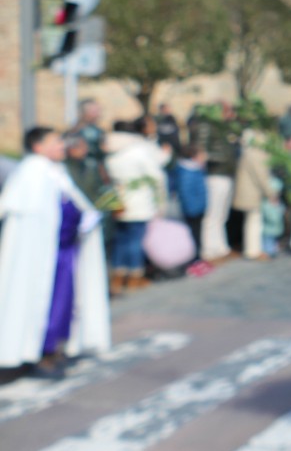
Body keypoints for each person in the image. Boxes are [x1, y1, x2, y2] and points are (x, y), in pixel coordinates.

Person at [0, 128, 109, 373]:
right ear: (38, 146)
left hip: (64, 252)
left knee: (62, 303)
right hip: (44, 256)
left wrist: (88, 218)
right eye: (56, 141)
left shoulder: (58, 171)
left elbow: (79, 201)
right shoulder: (32, 173)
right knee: (41, 301)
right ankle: (39, 351)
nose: (63, 145)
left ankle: (54, 348)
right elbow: (35, 221)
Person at [106, 119, 169, 293]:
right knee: (135, 239)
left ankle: (118, 275)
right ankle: (134, 275)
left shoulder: (108, 150)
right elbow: (156, 177)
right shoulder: (138, 150)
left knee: (121, 239)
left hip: (116, 199)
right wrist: (160, 201)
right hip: (139, 199)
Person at [191, 101, 239, 262]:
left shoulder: (224, 128)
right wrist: (221, 158)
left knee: (221, 215)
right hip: (215, 174)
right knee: (212, 215)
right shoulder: (206, 126)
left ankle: (220, 247)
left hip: (226, 174)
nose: (231, 114)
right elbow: (201, 153)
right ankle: (208, 250)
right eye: (227, 110)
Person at [232, 127, 273, 261]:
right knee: (254, 221)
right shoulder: (256, 154)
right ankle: (253, 250)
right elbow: (261, 176)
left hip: (248, 192)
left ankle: (252, 249)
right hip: (251, 193)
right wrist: (270, 192)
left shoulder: (248, 152)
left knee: (251, 220)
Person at [170, 145, 209, 273]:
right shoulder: (187, 171)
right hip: (192, 210)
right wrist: (193, 209)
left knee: (197, 235)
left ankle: (198, 259)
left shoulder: (195, 169)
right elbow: (186, 193)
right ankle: (194, 261)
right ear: (194, 156)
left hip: (198, 208)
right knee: (193, 236)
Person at [262, 176, 285, 258]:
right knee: (268, 240)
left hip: (277, 228)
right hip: (268, 228)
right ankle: (268, 252)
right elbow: (268, 215)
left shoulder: (279, 202)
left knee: (274, 240)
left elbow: (282, 211)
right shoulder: (265, 203)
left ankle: (272, 251)